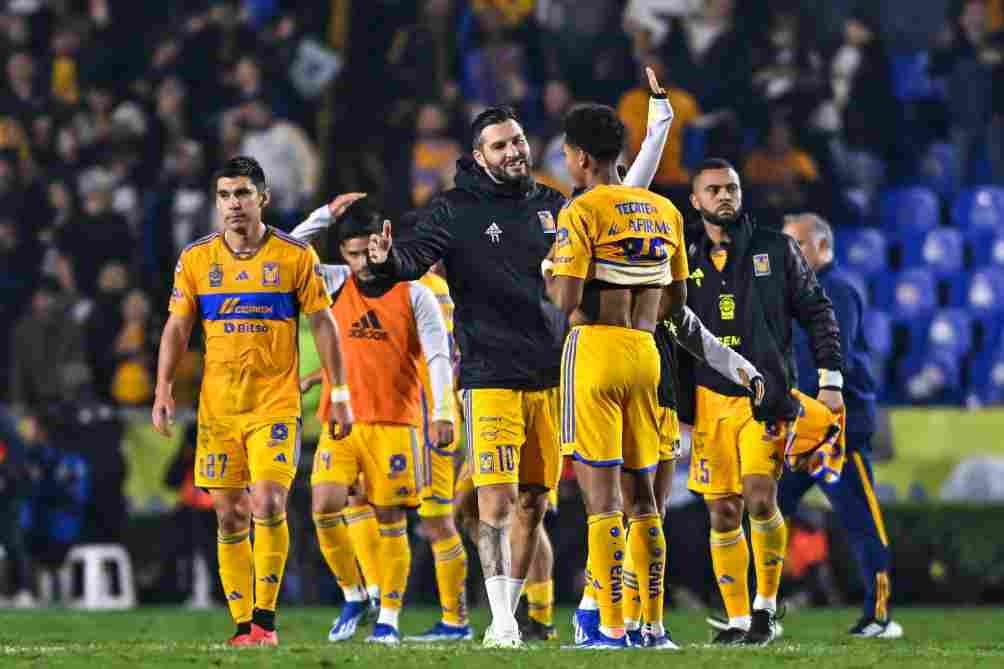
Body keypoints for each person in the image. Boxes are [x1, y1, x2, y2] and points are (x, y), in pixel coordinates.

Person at [364, 68, 676, 647]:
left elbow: (621, 199)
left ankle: (526, 613)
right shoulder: (454, 210)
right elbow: (409, 260)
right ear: (479, 156)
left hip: (554, 375)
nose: (514, 151)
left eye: (518, 141)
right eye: (500, 145)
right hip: (489, 375)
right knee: (497, 498)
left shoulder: (556, 205)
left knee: (535, 502)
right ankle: (502, 621)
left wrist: (656, 129)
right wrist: (384, 262)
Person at [547, 105, 765, 649]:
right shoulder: (665, 210)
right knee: (646, 500)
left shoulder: (581, 209)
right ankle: (654, 629)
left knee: (602, 502)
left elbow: (566, 299)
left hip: (595, 349)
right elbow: (677, 300)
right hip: (648, 353)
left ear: (577, 157)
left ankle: (611, 628)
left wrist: (553, 272)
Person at [152, 156, 353, 647]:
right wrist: (162, 387)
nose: (233, 204)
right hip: (218, 409)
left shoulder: (293, 256)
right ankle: (243, 626)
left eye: (242, 194)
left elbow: (324, 324)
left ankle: (265, 620)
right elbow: (178, 326)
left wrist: (341, 390)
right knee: (229, 514)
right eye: (224, 195)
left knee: (266, 501)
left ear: (263, 198)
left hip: (275, 404)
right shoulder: (197, 259)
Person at [673, 159, 842, 645]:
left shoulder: (776, 248)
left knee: (759, 495)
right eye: (713, 190)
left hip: (763, 400)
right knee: (722, 511)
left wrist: (830, 379)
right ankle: (737, 619)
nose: (724, 196)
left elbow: (818, 312)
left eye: (731, 188)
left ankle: (765, 608)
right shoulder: (681, 255)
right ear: (696, 201)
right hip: (708, 402)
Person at [291, 199, 467, 644]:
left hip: (395, 423)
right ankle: (354, 594)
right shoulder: (334, 282)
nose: (358, 264)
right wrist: (324, 215)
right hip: (341, 422)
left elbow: (439, 356)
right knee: (324, 507)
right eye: (348, 254)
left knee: (393, 521)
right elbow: (287, 253)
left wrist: (444, 411)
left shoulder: (417, 293)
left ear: (381, 243)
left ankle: (389, 616)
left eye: (363, 254)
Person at [779, 213, 902, 640]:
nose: (788, 252)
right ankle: (756, 611)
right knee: (766, 512)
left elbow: (836, 358)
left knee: (860, 521)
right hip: (801, 428)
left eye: (796, 244)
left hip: (838, 428)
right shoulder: (795, 293)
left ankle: (879, 615)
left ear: (822, 247)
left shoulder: (838, 290)